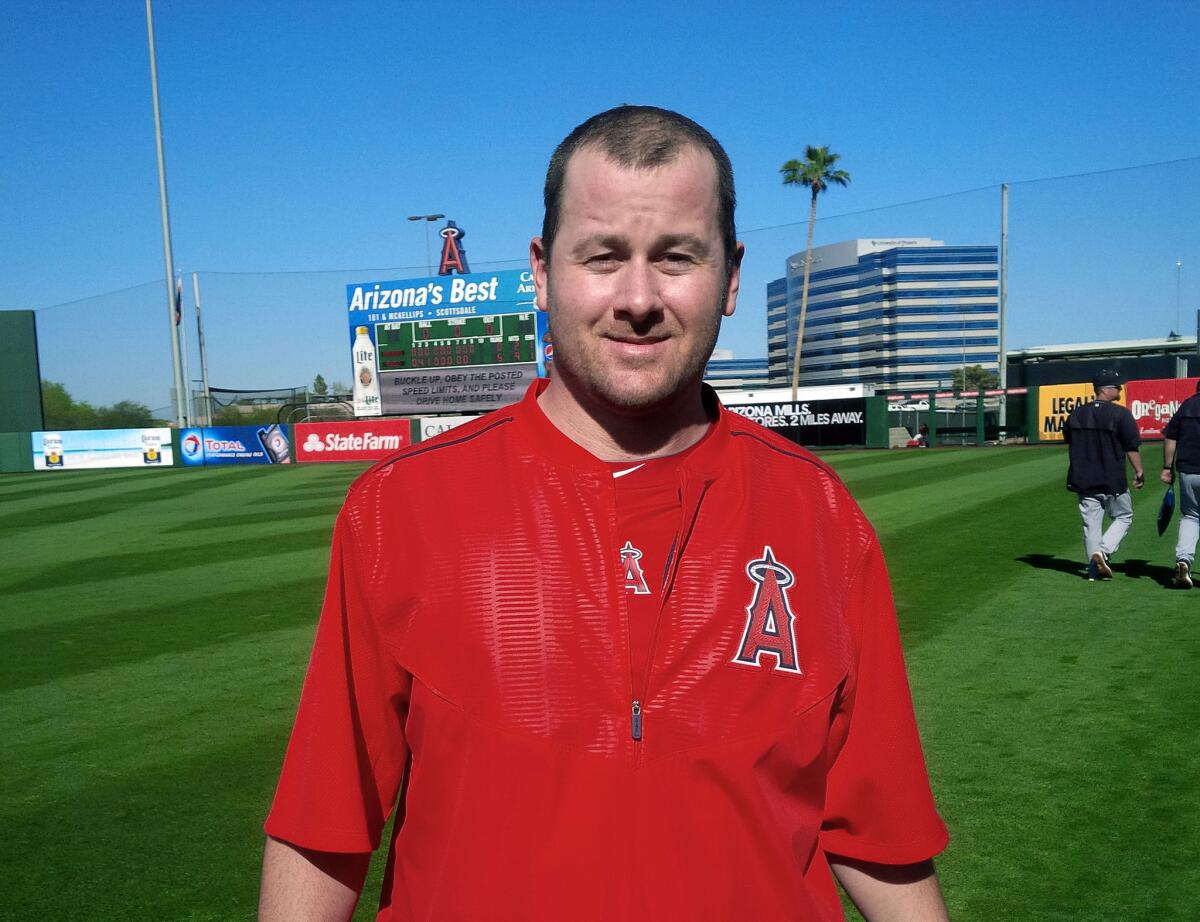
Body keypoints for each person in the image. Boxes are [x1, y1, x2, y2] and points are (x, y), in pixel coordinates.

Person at [259, 105, 949, 921]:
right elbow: (324, 823)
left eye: (676, 257)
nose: (639, 298)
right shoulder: (399, 510)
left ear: (729, 277)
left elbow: (880, 834)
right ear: (543, 271)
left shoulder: (823, 518)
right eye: (604, 256)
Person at [1063, 369, 1145, 580]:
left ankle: (1093, 571)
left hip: (1083, 478)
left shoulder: (1077, 413)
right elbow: (1131, 447)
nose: (1120, 388)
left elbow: (1068, 438)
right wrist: (1139, 470)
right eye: (1117, 386)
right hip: (1112, 479)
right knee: (1124, 516)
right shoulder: (1121, 414)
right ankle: (1104, 551)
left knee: (1091, 525)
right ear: (1105, 389)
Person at [1161, 380, 1200, 588]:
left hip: (1189, 471)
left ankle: (1183, 560)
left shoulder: (1187, 405)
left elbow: (1170, 437)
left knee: (1191, 517)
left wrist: (1167, 467)